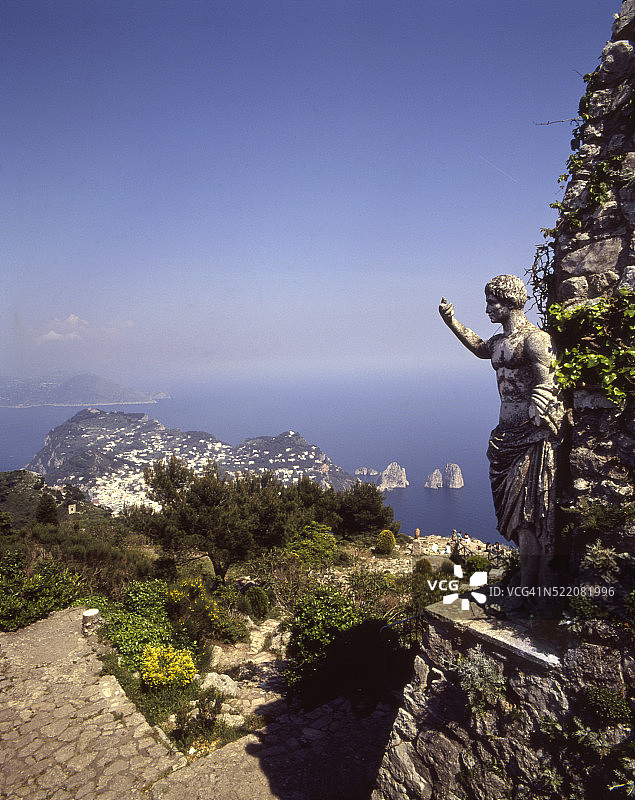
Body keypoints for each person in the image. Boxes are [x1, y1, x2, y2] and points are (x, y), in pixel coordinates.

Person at [439, 275, 564, 589]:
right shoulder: (499, 343)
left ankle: (532, 586)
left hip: (529, 436)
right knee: (516, 516)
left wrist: (539, 404)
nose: (487, 310)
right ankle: (528, 584)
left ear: (510, 303)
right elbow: (480, 347)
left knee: (528, 516)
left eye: (492, 303)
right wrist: (451, 322)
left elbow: (548, 384)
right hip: (504, 437)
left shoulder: (535, 340)